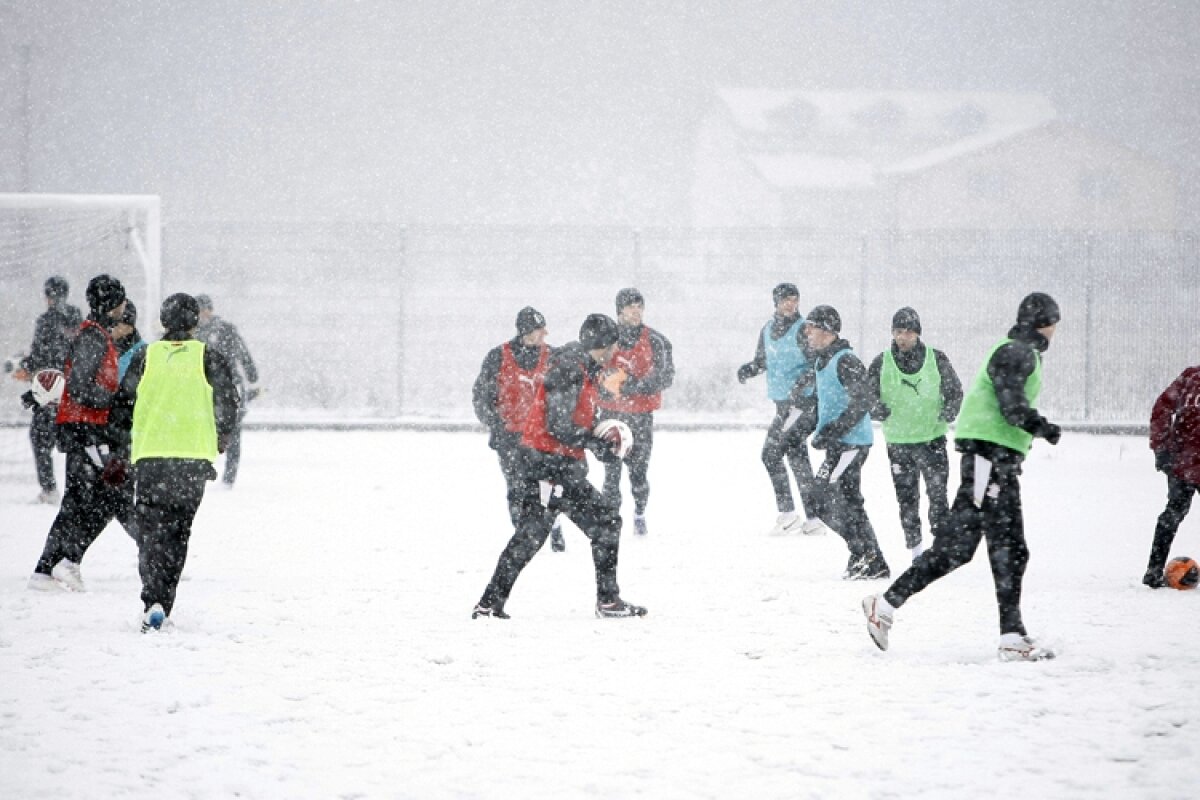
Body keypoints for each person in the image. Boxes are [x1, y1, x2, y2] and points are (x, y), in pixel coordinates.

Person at [863, 292, 1063, 662]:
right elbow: (1011, 403)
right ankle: (1011, 635)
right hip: (989, 458)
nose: (1055, 331)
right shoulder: (1016, 351)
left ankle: (887, 604)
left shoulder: (1018, 350)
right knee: (1008, 548)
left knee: (958, 551)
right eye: (1054, 323)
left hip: (993, 460)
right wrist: (1041, 426)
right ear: (1045, 323)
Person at [473, 313, 647, 620]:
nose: (614, 352)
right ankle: (607, 601)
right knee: (588, 525)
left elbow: (576, 419)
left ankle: (490, 603)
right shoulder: (570, 368)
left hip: (556, 466)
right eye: (613, 345)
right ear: (603, 344)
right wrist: (593, 442)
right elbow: (558, 423)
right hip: (548, 467)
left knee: (542, 533)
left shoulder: (582, 368)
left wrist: (601, 442)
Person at [112, 293, 240, 632]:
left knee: (152, 533)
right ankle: (164, 602)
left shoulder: (145, 356)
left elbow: (123, 404)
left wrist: (119, 450)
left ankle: (151, 597)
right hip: (192, 459)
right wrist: (222, 436)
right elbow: (229, 401)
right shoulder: (208, 357)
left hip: (151, 457)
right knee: (178, 532)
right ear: (195, 321)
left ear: (163, 321)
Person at [27, 274, 131, 592]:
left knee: (83, 501)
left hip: (87, 429)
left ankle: (49, 570)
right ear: (111, 304)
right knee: (109, 496)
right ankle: (61, 564)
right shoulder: (93, 338)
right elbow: (80, 387)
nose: (125, 305)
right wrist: (116, 399)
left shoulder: (96, 334)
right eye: (121, 300)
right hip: (86, 431)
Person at [867, 307, 963, 562]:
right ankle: (916, 551)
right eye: (898, 331)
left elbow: (955, 390)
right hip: (899, 443)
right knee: (907, 500)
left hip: (932, 439)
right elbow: (865, 394)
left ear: (918, 334)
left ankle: (941, 548)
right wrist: (875, 408)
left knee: (938, 495)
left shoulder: (937, 358)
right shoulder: (881, 361)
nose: (903, 337)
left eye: (908, 331)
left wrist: (951, 409)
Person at [803, 305, 889, 579]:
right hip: (838, 445)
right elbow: (826, 402)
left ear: (827, 331)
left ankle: (866, 554)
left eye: (811, 327)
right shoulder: (821, 360)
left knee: (822, 498)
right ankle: (869, 558)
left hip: (852, 444)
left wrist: (833, 431)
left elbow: (862, 401)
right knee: (840, 501)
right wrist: (816, 430)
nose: (807, 332)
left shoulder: (845, 359)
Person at [472, 306, 565, 553]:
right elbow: (481, 396)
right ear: (525, 332)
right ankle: (522, 535)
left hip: (544, 436)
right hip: (510, 437)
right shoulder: (498, 357)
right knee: (516, 489)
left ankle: (553, 523)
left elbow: (570, 393)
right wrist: (495, 422)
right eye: (538, 329)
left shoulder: (554, 358)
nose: (544, 333)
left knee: (548, 485)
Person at [737, 283, 825, 536]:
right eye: (786, 299)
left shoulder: (803, 329)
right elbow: (762, 361)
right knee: (797, 458)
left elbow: (816, 363)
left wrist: (802, 383)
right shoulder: (767, 330)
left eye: (794, 299)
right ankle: (814, 518)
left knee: (771, 453)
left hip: (802, 405)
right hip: (783, 406)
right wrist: (748, 370)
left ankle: (788, 515)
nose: (791, 304)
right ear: (776, 301)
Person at [597, 288, 675, 536]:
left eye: (639, 306)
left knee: (638, 474)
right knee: (611, 472)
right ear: (619, 311)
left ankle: (639, 511)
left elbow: (665, 376)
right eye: (631, 307)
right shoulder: (604, 340)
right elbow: (590, 370)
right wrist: (604, 386)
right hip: (610, 415)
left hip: (640, 416)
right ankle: (611, 519)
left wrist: (631, 386)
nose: (636, 311)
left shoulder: (656, 341)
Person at [13, 276, 82, 504]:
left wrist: (24, 365)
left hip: (52, 390)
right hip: (76, 390)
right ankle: (81, 489)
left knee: (40, 438)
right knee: (77, 441)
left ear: (48, 296)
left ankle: (49, 489)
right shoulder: (77, 318)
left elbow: (41, 355)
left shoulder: (46, 321)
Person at [1143, 363, 1200, 588]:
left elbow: (1162, 408)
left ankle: (1154, 569)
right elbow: (1162, 408)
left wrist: (1161, 448)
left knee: (1174, 512)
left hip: (1181, 460)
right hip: (1183, 461)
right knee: (1174, 511)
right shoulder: (1191, 376)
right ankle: (1153, 570)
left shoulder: (1191, 376)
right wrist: (1160, 447)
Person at [194, 294, 258, 487]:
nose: (203, 314)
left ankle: (228, 478)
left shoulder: (225, 330)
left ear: (210, 310)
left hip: (229, 387)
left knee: (232, 432)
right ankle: (201, 472)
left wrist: (251, 373)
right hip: (204, 387)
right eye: (199, 311)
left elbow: (242, 353)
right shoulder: (194, 333)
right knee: (204, 431)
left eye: (205, 309)